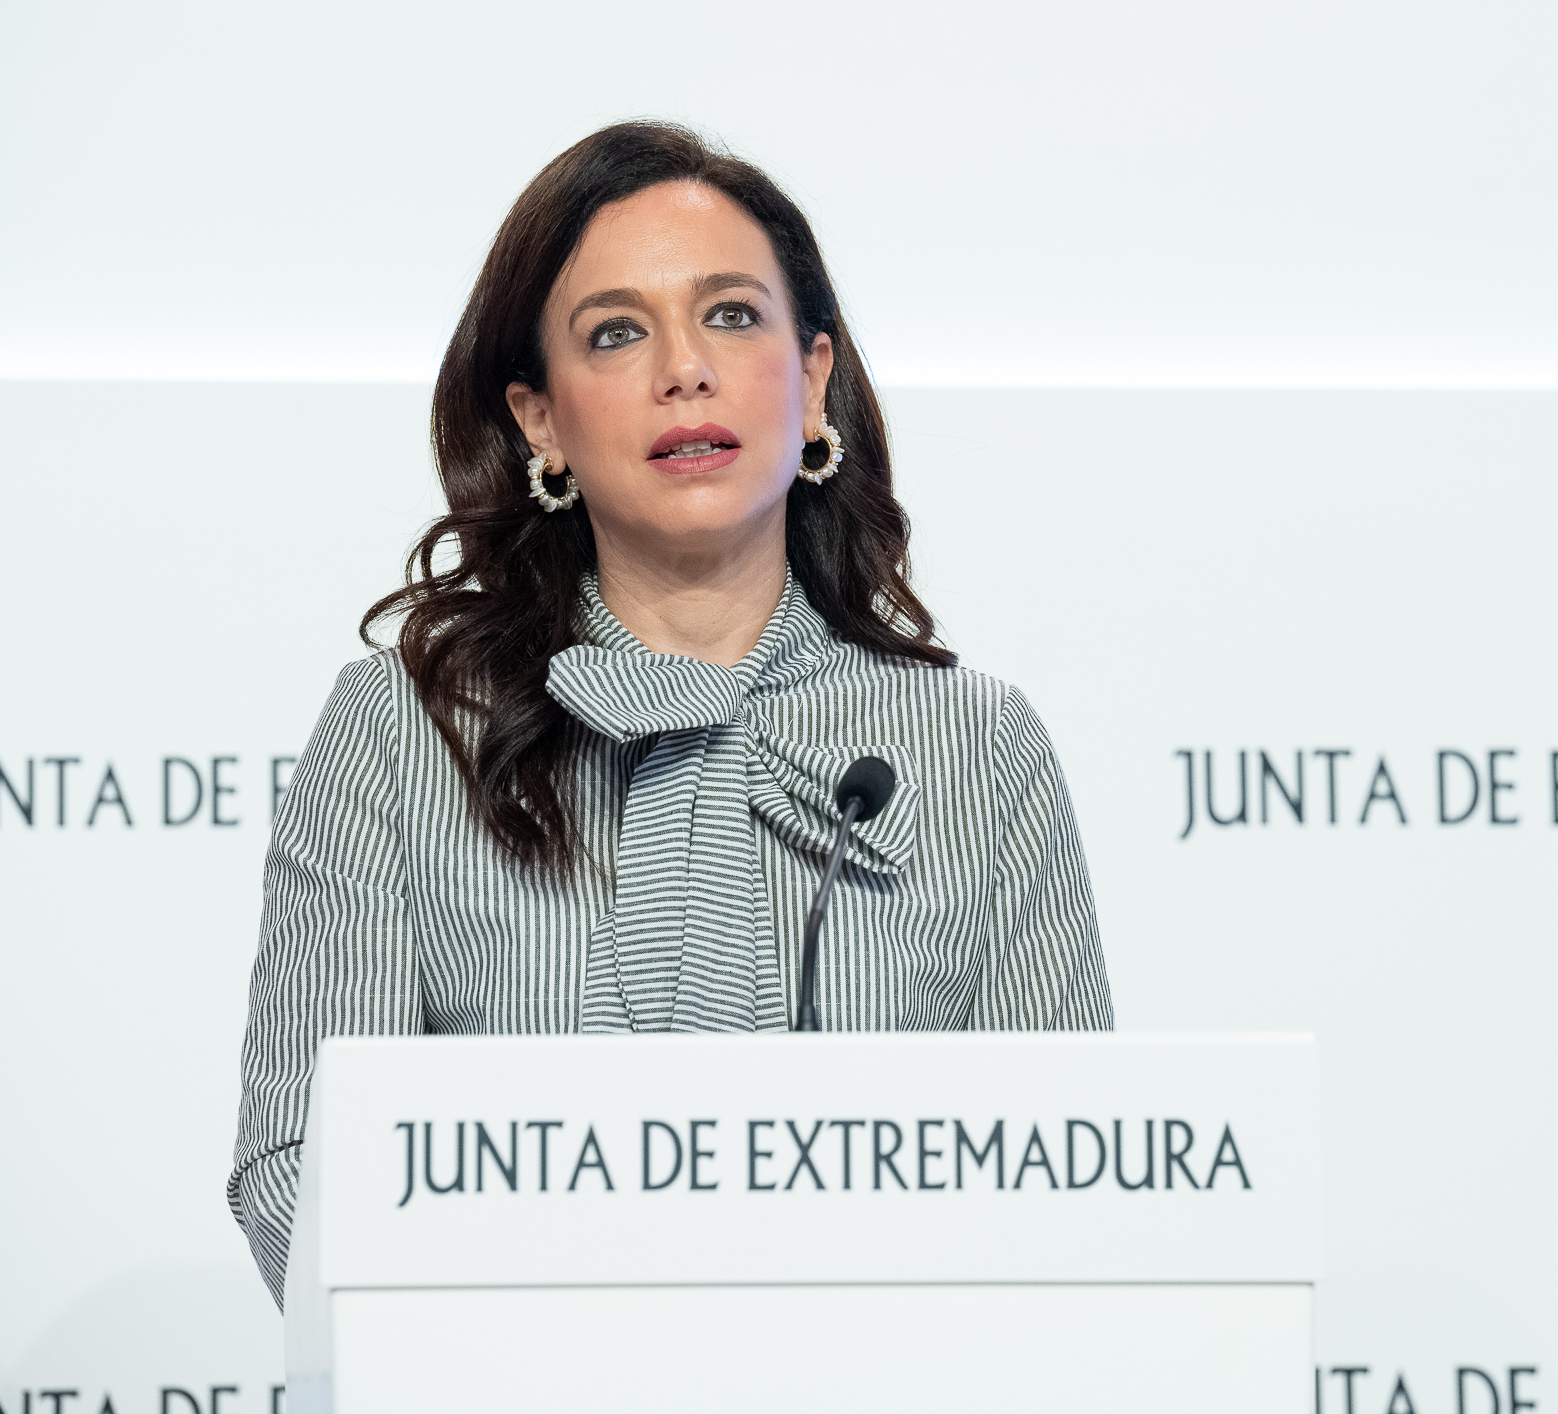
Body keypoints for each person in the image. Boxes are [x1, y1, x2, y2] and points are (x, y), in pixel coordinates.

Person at [227, 121, 1112, 1305]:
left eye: (732, 315)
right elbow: (301, 1168)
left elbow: (1074, 1189)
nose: (682, 367)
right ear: (540, 419)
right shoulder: (407, 727)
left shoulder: (977, 748)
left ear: (811, 382)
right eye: (616, 332)